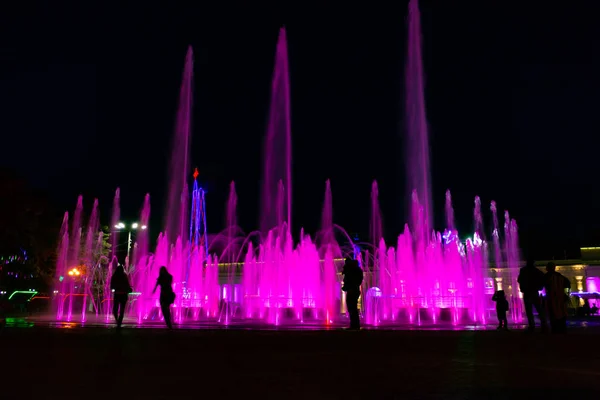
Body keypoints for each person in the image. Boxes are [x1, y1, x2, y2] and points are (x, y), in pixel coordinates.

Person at [517, 259, 547, 333]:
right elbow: (543, 279)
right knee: (539, 309)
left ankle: (532, 326)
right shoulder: (536, 271)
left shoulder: (523, 270)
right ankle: (544, 325)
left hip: (528, 292)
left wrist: (523, 287)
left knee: (529, 310)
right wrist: (540, 287)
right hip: (534, 292)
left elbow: (519, 279)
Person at [543, 262, 571, 334]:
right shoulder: (560, 276)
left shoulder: (546, 276)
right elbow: (568, 284)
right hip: (561, 297)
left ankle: (555, 329)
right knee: (561, 313)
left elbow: (542, 286)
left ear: (547, 268)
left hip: (551, 297)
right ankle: (562, 328)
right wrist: (567, 294)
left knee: (553, 313)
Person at [342, 257, 363, 330]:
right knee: (352, 308)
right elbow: (358, 281)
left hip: (352, 290)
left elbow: (348, 279)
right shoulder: (357, 270)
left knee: (352, 308)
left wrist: (347, 286)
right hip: (354, 290)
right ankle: (355, 324)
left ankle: (354, 325)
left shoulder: (351, 270)